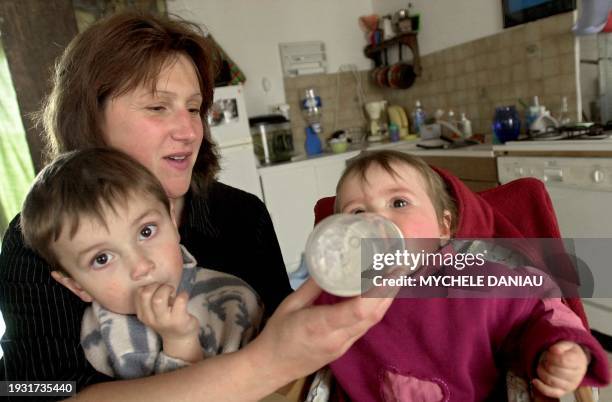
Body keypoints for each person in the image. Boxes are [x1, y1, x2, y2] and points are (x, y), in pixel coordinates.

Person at [0, 11, 395, 401]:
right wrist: (263, 364)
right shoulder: (35, 241)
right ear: (90, 116)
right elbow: (31, 391)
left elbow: (288, 350)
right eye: (157, 107)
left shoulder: (242, 215)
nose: (190, 130)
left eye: (193, 108)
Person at [317, 150, 610, 401]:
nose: (376, 221)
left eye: (398, 203)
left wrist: (562, 350)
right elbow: (295, 340)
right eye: (357, 213)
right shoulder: (336, 296)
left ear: (443, 227)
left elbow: (542, 310)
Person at [20, 148, 263, 379]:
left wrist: (181, 343)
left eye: (146, 231)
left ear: (171, 220)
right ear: (76, 286)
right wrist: (179, 342)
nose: (141, 266)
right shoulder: (91, 338)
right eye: (102, 258)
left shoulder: (235, 299)